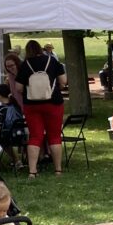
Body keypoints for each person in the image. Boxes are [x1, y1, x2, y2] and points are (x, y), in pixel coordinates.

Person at [18, 41, 68, 178]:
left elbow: (18, 87)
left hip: (32, 104)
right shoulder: (52, 61)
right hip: (53, 102)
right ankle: (58, 170)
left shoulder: (25, 64)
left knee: (35, 136)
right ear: (41, 49)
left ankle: (32, 171)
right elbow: (63, 81)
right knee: (54, 135)